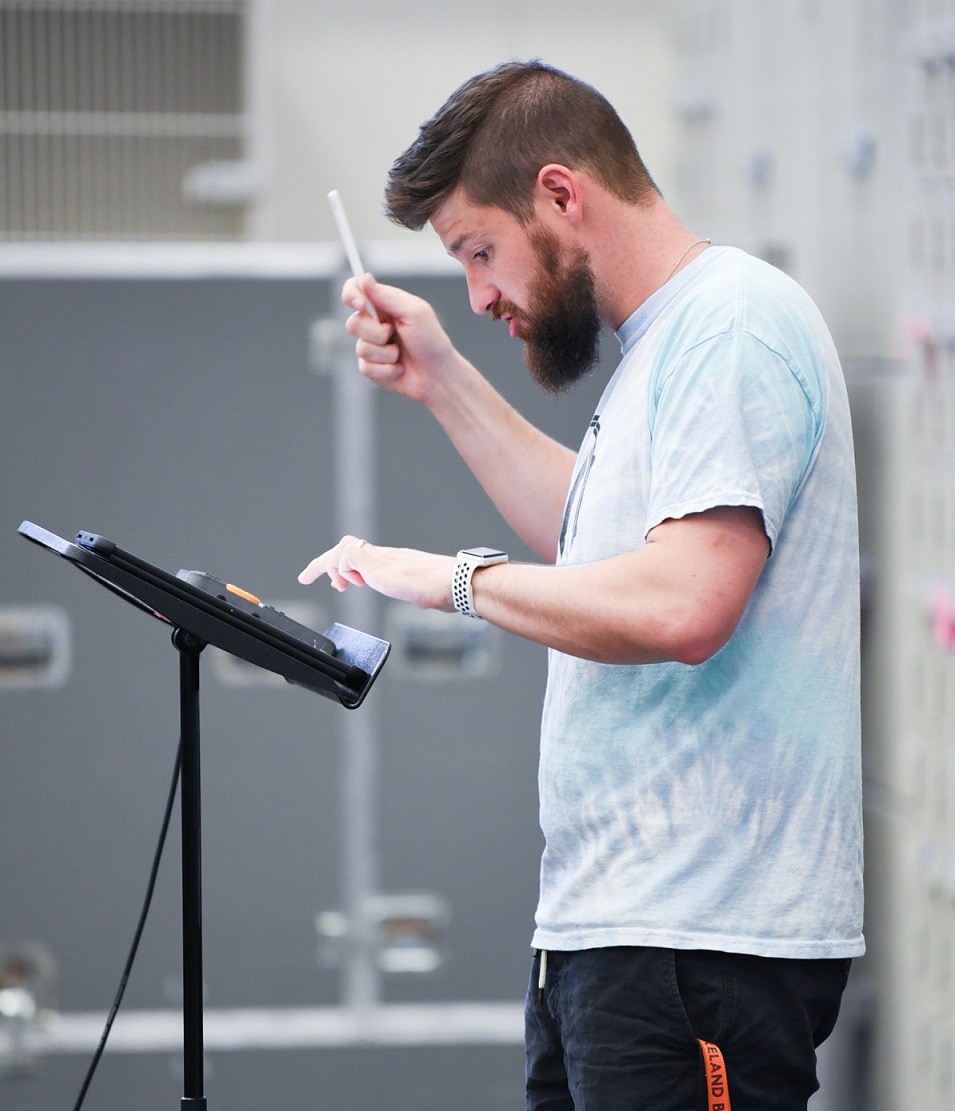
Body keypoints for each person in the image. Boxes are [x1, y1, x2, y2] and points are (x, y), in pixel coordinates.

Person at [299, 60, 863, 1111]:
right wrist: (441, 382)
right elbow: (595, 536)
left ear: (560, 194)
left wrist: (457, 579)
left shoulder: (731, 322)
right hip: (614, 936)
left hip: (697, 945)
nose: (475, 296)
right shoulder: (660, 349)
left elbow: (679, 604)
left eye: (479, 252)